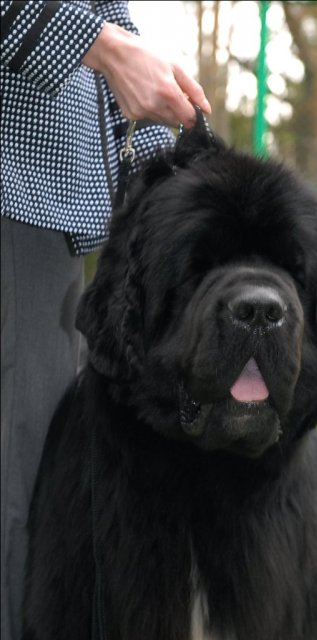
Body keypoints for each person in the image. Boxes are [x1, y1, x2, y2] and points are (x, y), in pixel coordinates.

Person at [0, 2, 211, 638]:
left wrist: (166, 148)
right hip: (14, 201)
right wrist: (105, 48)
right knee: (14, 491)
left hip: (48, 213)